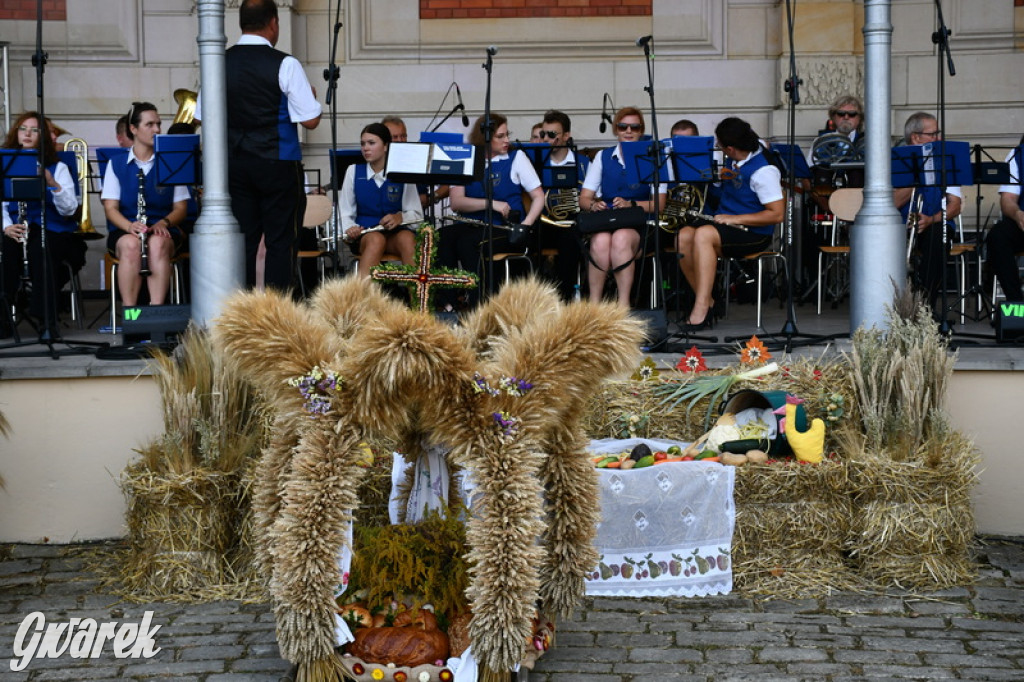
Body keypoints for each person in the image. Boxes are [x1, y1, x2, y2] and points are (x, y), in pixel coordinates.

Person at [193, 0, 322, 292]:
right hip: (278, 161)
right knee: (280, 242)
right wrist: (310, 97)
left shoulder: (218, 62)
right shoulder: (285, 63)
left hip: (234, 164)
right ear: (274, 23)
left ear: (241, 23)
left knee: (244, 242)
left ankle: (244, 314)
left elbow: (201, 117)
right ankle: (276, 314)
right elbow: (311, 120)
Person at [675, 117, 783, 331]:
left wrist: (735, 219)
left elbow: (776, 214)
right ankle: (708, 301)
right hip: (725, 227)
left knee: (704, 234)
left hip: (753, 233)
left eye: (720, 146)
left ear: (731, 149)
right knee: (683, 236)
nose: (720, 149)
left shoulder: (764, 171)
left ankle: (701, 308)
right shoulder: (734, 160)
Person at [446, 113, 543, 306]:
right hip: (472, 223)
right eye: (500, 136)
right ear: (485, 137)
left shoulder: (516, 158)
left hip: (504, 228)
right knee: (443, 237)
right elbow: (457, 202)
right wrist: (490, 204)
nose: (506, 140)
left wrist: (526, 225)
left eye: (507, 134)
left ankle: (479, 303)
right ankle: (448, 302)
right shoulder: (467, 156)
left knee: (468, 244)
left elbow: (539, 196)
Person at [1, 112, 85, 333]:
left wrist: (51, 182)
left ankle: (46, 320)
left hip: (49, 226)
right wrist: (6, 227)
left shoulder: (58, 168)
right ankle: (3, 319)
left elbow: (69, 208)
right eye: (23, 129)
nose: (28, 134)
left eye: (34, 130)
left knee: (42, 249)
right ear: (16, 133)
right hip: (14, 225)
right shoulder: (5, 164)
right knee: (4, 252)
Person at [101, 102, 190, 307]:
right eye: (150, 124)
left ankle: (155, 313)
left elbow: (180, 208)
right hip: (126, 229)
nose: (157, 129)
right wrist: (129, 227)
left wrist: (164, 223)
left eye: (158, 124)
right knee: (131, 246)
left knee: (157, 244)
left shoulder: (171, 161)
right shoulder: (116, 163)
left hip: (162, 228)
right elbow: (110, 208)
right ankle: (132, 314)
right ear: (134, 129)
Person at [579, 106, 666, 307]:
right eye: (623, 126)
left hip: (638, 223)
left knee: (621, 238)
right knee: (600, 241)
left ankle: (623, 305)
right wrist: (593, 205)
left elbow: (659, 204)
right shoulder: (603, 156)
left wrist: (631, 204)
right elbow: (584, 198)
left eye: (634, 127)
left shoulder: (653, 157)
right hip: (607, 220)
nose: (628, 131)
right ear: (616, 129)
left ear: (641, 131)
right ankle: (594, 306)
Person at [893, 112, 962, 310]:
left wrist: (931, 219)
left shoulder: (946, 161)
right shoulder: (896, 161)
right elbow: (891, 203)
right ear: (915, 137)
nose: (938, 139)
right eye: (933, 134)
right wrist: (915, 177)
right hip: (900, 226)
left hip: (934, 223)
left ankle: (925, 308)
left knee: (937, 238)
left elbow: (955, 205)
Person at [340, 123, 423, 278]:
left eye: (371, 143)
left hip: (394, 235)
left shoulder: (403, 172)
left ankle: (418, 298)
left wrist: (400, 217)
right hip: (365, 236)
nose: (365, 148)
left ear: (386, 146)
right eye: (363, 144)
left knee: (407, 238)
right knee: (376, 240)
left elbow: (417, 214)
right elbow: (345, 212)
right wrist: (351, 228)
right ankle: (361, 298)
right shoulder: (353, 171)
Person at [537, 109, 589, 302]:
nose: (546, 139)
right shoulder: (536, 162)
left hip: (572, 223)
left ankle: (565, 301)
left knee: (570, 242)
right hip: (545, 222)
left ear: (566, 136)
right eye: (544, 134)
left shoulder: (583, 163)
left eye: (552, 135)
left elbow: (592, 194)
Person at [985, 137, 1024, 302]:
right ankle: (1016, 305)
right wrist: (1017, 214)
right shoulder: (1018, 155)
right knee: (998, 236)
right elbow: (1008, 199)